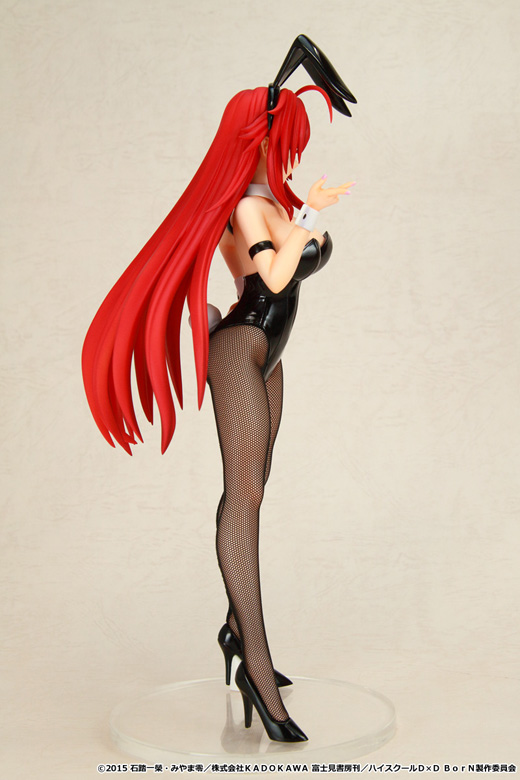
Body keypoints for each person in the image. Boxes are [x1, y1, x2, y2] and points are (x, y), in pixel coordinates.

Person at [82, 39, 356, 744]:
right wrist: (311, 217)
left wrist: (303, 215)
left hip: (270, 355)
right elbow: (274, 277)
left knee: (256, 484)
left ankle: (236, 631)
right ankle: (256, 668)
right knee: (245, 497)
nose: (289, 157)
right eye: (283, 142)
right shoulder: (247, 209)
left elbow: (283, 268)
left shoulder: (270, 203)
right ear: (257, 141)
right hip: (241, 350)